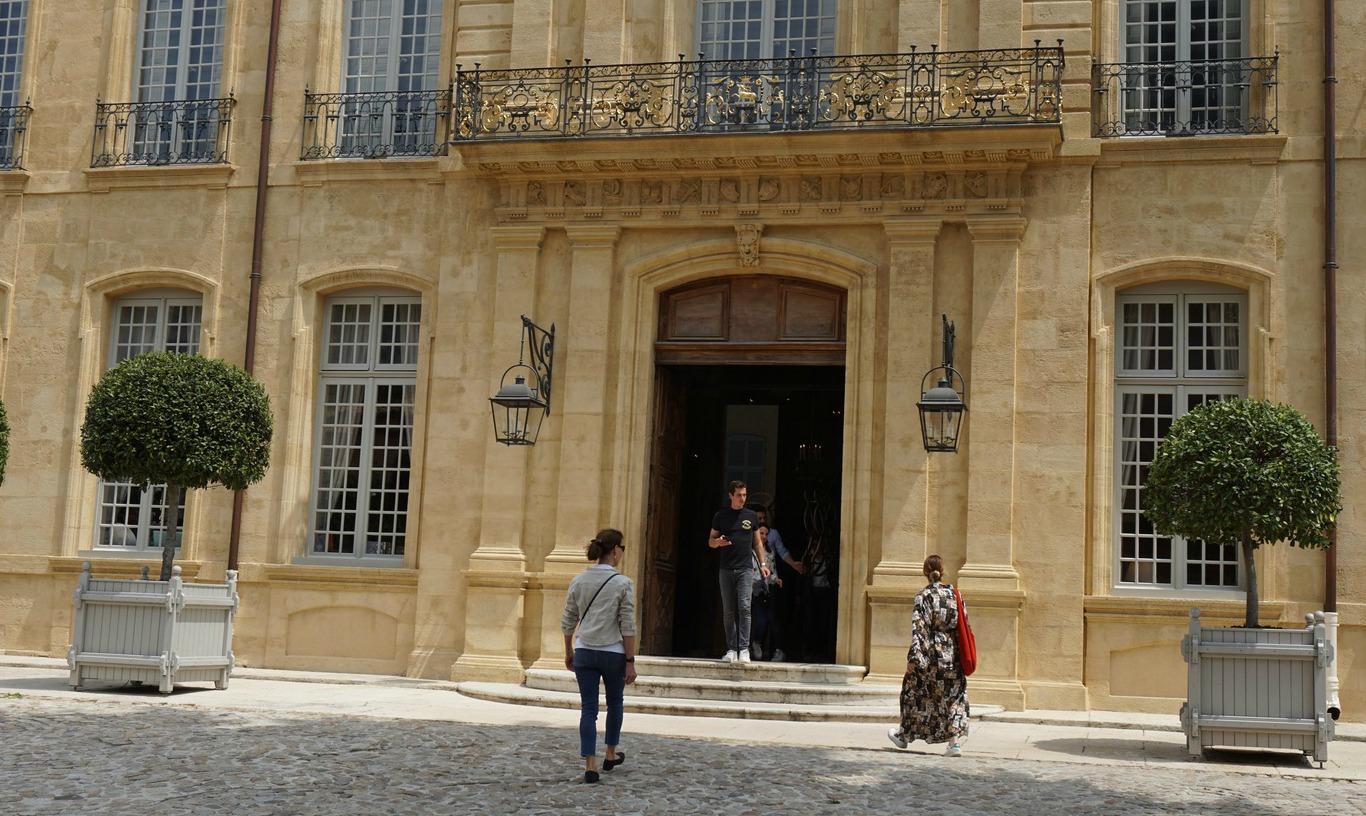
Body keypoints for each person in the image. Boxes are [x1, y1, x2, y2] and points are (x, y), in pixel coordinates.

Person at [562, 529, 638, 783]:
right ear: (616, 550)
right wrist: (630, 661)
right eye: (622, 549)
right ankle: (610, 753)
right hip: (613, 653)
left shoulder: (578, 580)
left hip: (584, 650)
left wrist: (568, 650)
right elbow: (627, 626)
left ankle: (590, 765)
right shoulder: (623, 583)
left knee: (588, 709)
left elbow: (568, 620)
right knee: (615, 703)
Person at [887, 554, 969, 757]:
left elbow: (919, 628)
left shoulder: (923, 596)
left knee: (913, 693)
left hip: (930, 654)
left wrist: (913, 658)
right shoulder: (955, 595)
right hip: (952, 654)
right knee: (953, 697)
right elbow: (964, 624)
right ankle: (954, 743)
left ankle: (904, 735)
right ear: (944, 571)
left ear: (925, 572)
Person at [709, 480, 770, 663]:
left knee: (744, 608)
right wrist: (717, 542)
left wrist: (763, 563)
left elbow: (757, 542)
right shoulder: (721, 516)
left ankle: (744, 649)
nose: (742, 498)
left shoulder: (751, 516)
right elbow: (710, 541)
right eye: (739, 495)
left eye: (744, 495)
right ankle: (731, 649)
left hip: (745, 568)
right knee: (728, 610)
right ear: (730, 496)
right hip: (726, 568)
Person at [750, 524, 783, 661]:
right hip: (752, 589)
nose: (763, 536)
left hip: (766, 589)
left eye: (766, 534)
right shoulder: (749, 551)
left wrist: (776, 579)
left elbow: (772, 570)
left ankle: (776, 649)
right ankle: (754, 644)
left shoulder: (770, 552)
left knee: (772, 619)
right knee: (759, 619)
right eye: (761, 533)